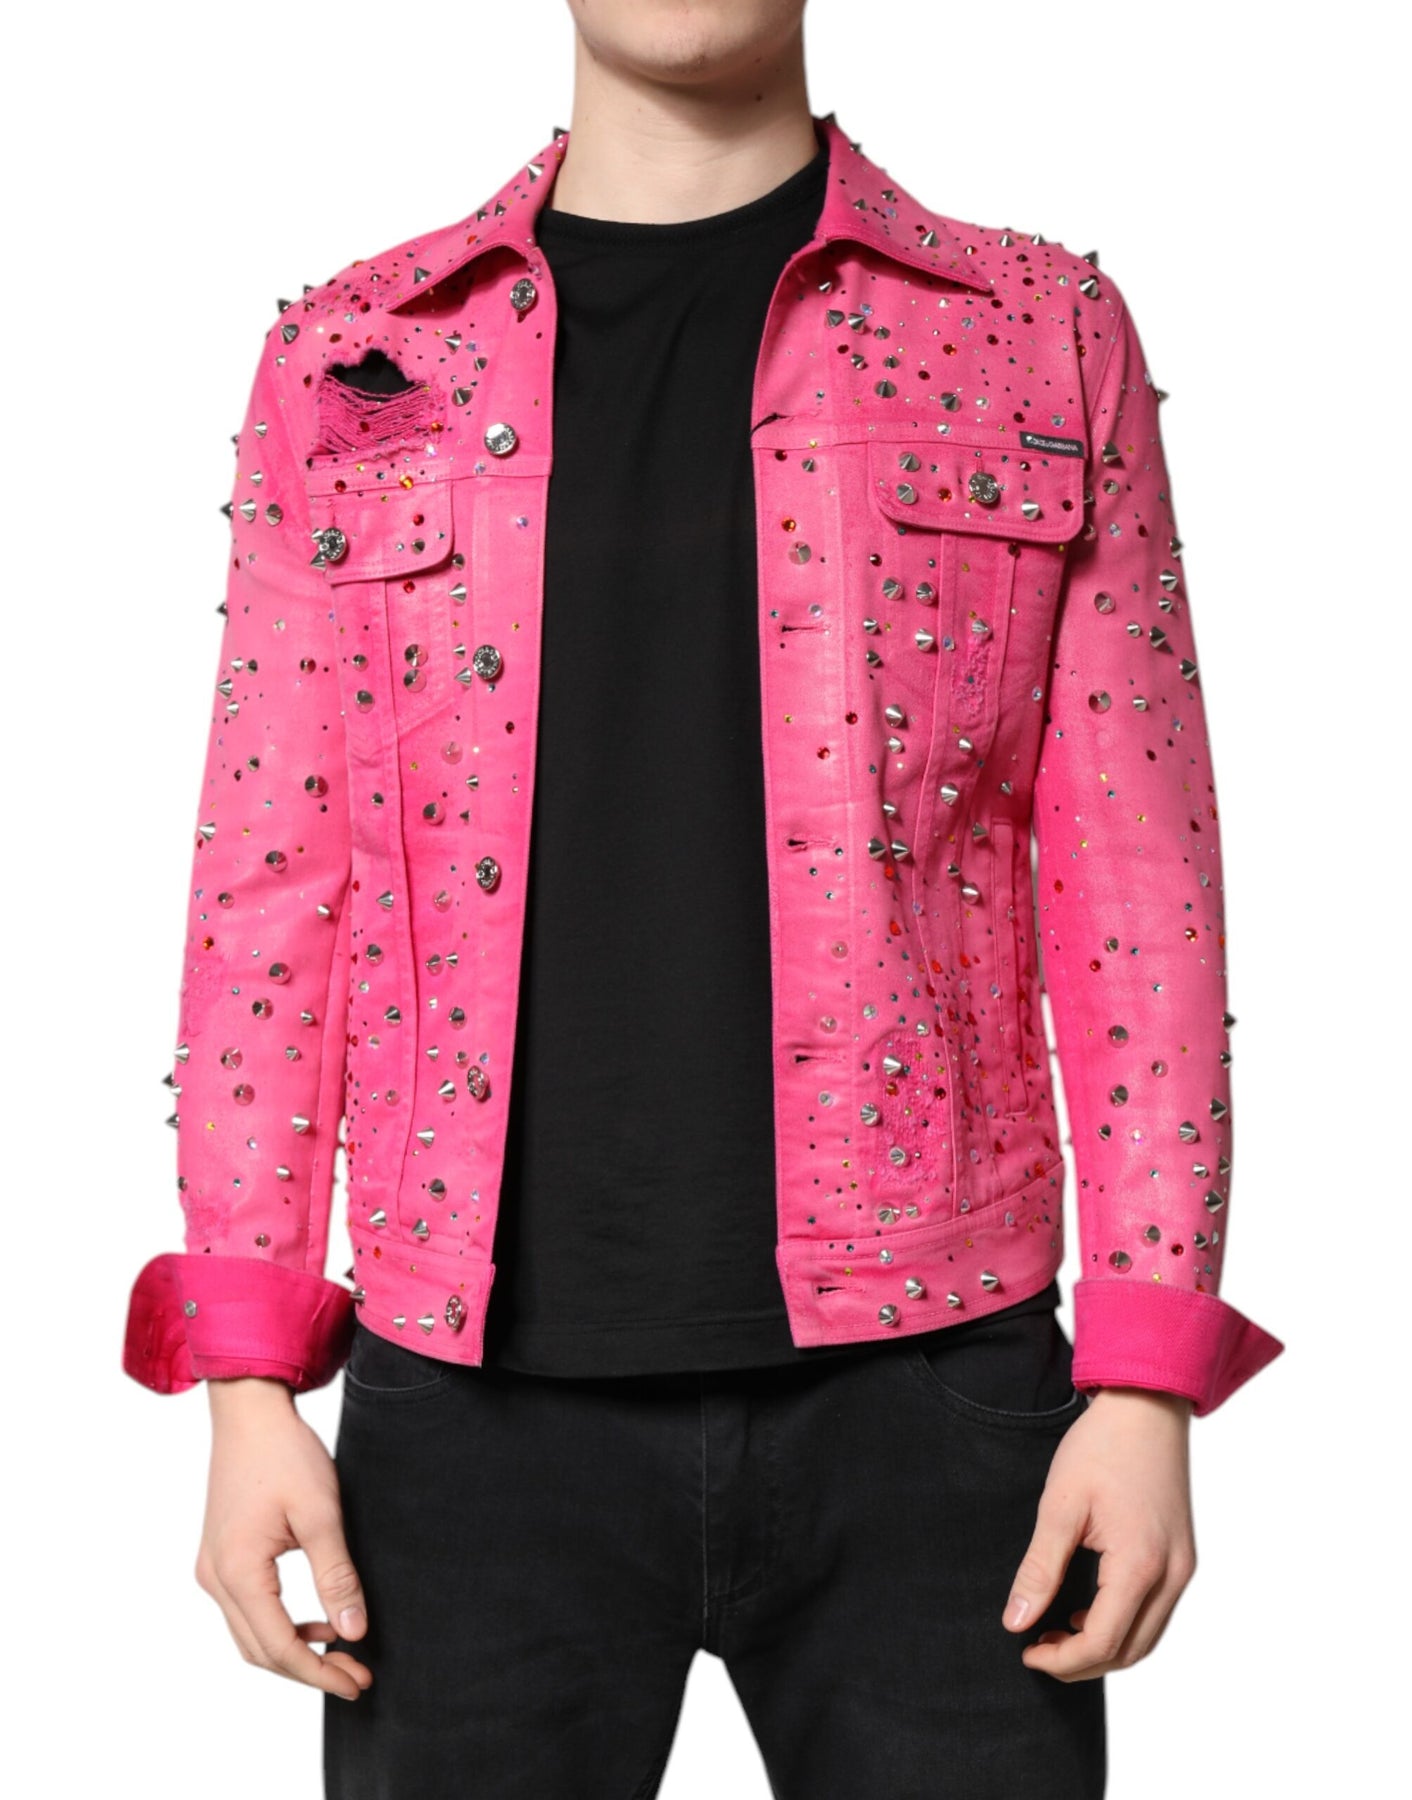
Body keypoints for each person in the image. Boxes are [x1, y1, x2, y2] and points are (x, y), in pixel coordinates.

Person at [121, 4, 1286, 1795]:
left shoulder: (1039, 333)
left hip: (939, 1394)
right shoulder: (354, 357)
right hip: (468, 1413)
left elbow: (1139, 878)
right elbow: (278, 877)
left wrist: (1144, 1380)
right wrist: (247, 1373)